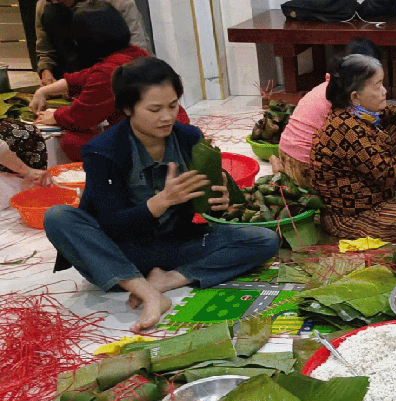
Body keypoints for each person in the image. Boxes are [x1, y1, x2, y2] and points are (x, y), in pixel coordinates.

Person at [44, 57, 280, 333]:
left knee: (264, 239)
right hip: (122, 253)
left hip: (175, 245)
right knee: (58, 216)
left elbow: (204, 207)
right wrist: (160, 202)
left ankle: (169, 280)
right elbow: (110, 223)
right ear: (128, 108)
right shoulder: (103, 150)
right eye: (154, 109)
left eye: (172, 105)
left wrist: (218, 203)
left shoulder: (189, 137)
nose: (167, 117)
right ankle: (146, 292)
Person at [29, 2, 187, 162]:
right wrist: (43, 91)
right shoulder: (134, 53)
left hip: (154, 143)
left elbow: (80, 118)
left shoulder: (107, 73)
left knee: (72, 141)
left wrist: (55, 115)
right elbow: (82, 77)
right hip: (171, 131)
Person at [311, 54, 396, 242]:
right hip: (352, 214)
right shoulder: (346, 129)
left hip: (374, 192)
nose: (384, 91)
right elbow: (388, 175)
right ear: (355, 97)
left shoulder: (357, 111)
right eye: (378, 86)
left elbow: (386, 112)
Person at [276, 38, 382, 188]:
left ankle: (282, 170)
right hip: (305, 166)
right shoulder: (344, 98)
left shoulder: (332, 84)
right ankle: (291, 177)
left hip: (286, 152)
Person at [35, 0, 152, 86]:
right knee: (52, 12)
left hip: (114, 72)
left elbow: (137, 54)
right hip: (74, 74)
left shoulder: (119, 3)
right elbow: (45, 50)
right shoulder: (45, 5)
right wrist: (46, 72)